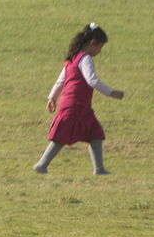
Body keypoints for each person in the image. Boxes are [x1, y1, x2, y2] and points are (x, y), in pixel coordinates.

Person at [34, 23, 124, 175]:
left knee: (95, 133)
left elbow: (60, 81)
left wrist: (52, 98)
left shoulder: (72, 59)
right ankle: (41, 164)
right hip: (74, 105)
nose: (99, 52)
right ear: (92, 43)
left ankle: (99, 168)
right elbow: (92, 80)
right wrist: (111, 92)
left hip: (81, 107)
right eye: (99, 48)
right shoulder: (85, 58)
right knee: (61, 137)